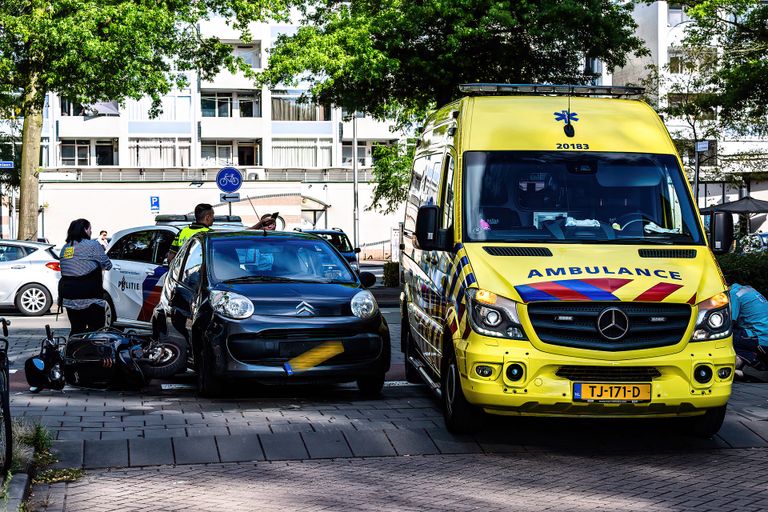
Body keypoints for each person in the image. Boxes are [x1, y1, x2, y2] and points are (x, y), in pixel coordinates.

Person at [59, 218, 113, 335]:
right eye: (90, 229)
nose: (91, 232)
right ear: (85, 229)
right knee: (96, 330)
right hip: (90, 297)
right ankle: (92, 352)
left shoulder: (65, 248)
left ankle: (74, 350)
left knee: (77, 329)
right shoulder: (93, 245)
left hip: (69, 297)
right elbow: (108, 265)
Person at [730, 282, 768, 379]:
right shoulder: (749, 289)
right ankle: (745, 369)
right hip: (764, 336)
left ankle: (753, 362)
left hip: (760, 338)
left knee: (725, 335)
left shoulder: (733, 294)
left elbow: (730, 322)